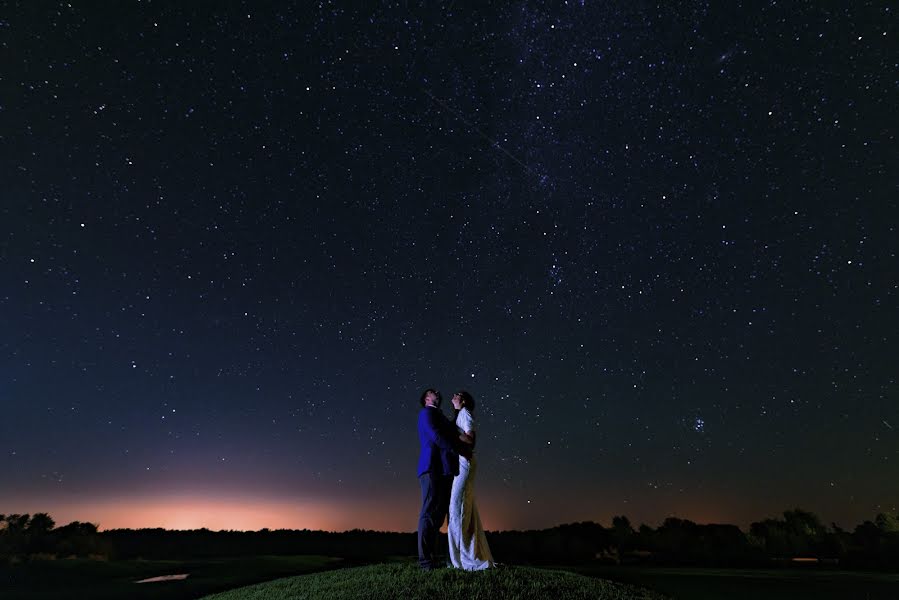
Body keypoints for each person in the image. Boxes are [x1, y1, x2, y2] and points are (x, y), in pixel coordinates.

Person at [417, 388, 470, 570]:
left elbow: (450, 429)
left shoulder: (438, 415)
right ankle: (425, 562)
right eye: (433, 392)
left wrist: (457, 411)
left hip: (444, 470)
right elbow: (437, 436)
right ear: (426, 399)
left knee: (439, 516)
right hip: (431, 467)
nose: (438, 392)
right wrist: (459, 448)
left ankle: (434, 557)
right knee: (429, 514)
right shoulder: (426, 413)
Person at [447, 390, 495, 570]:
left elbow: (470, 440)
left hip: (465, 462)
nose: (452, 397)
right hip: (462, 462)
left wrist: (452, 433)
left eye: (456, 395)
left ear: (464, 400)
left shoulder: (465, 413)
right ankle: (461, 557)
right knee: (462, 507)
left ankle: (465, 560)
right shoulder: (461, 414)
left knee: (457, 507)